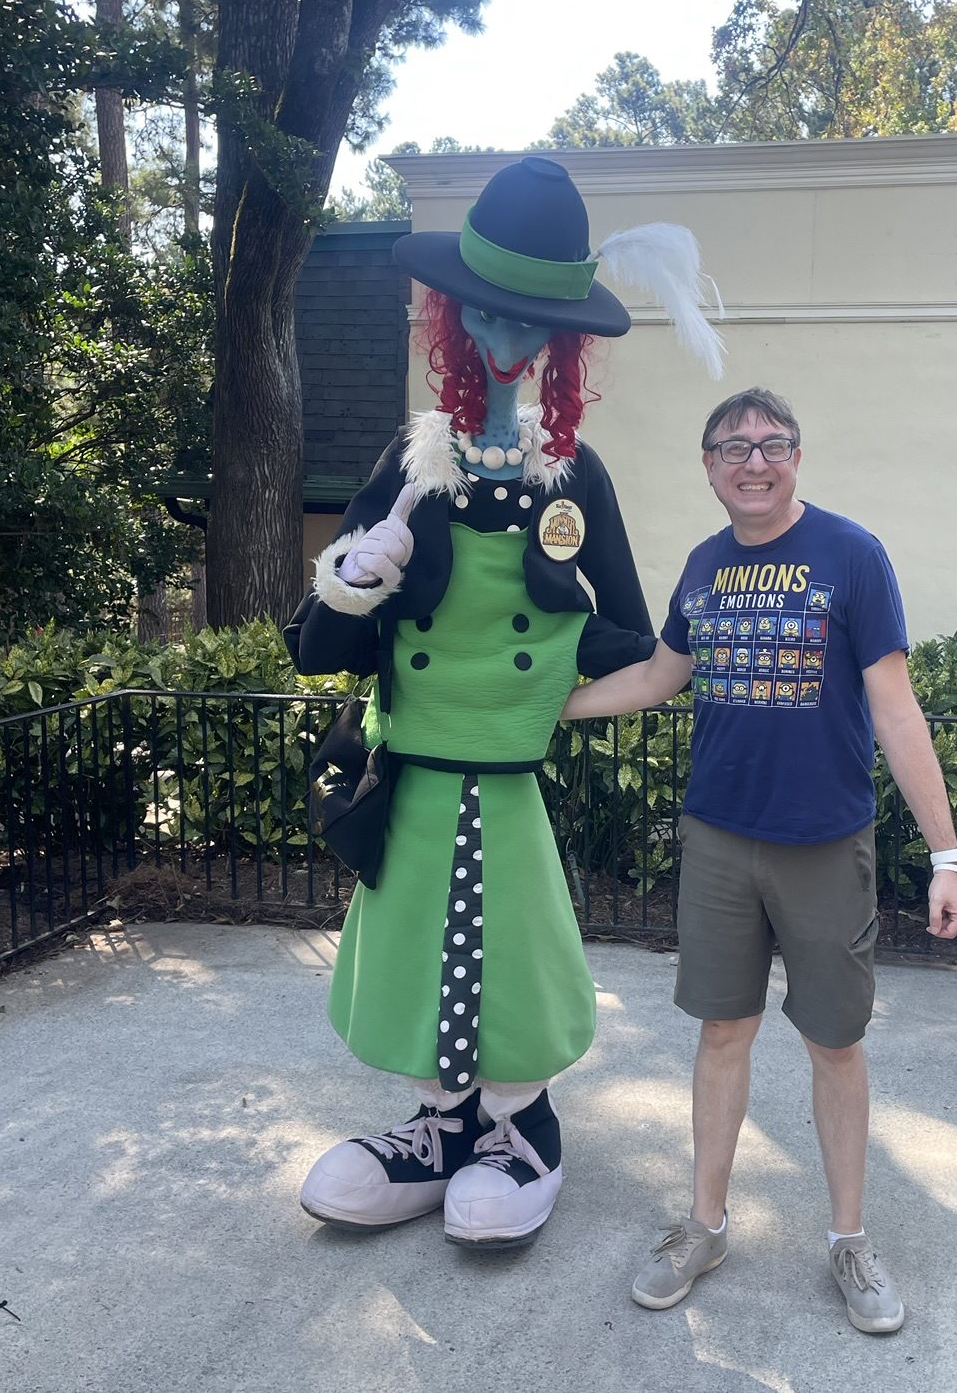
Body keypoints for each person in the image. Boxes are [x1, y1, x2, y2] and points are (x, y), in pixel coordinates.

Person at [284, 157, 722, 1250]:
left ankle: (521, 1128)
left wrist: (558, 707)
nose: (505, 336)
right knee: (415, 954)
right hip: (416, 773)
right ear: (448, 312)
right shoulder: (409, 461)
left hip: (508, 780)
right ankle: (440, 1130)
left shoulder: (577, 480)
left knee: (514, 955)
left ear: (564, 340)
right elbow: (318, 645)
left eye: (531, 320)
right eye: (484, 310)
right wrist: (357, 576)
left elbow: (629, 634)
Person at [561, 387, 957, 1329]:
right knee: (721, 1035)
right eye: (732, 447)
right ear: (707, 466)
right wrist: (549, 707)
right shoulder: (704, 567)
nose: (753, 460)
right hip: (717, 841)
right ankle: (704, 1226)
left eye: (771, 443)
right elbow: (661, 677)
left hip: (825, 845)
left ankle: (849, 1242)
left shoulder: (851, 555)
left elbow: (895, 707)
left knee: (835, 1043)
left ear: (796, 456)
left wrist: (945, 855)